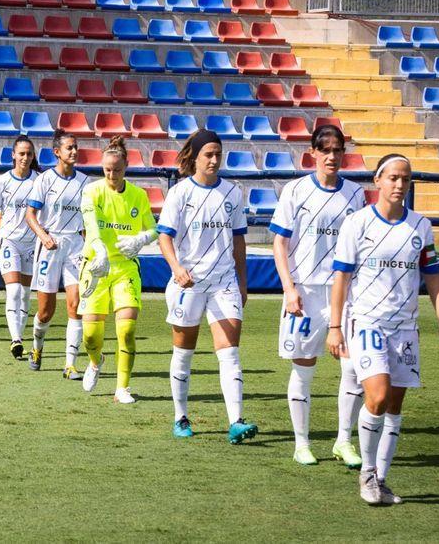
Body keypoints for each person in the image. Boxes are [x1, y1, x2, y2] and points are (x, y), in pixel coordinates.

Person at [328, 154, 439, 506]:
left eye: (406, 179)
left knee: (395, 407)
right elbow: (341, 278)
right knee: (378, 396)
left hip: (406, 329)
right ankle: (366, 474)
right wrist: (335, 326)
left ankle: (381, 480)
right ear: (377, 181)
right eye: (393, 178)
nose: (400, 185)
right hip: (367, 322)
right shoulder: (357, 224)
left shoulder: (420, 226)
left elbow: (432, 276)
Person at [269, 125, 367, 467]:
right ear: (312, 152)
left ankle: (343, 440)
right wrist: (289, 288)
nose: (331, 156)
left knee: (353, 367)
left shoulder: (355, 195)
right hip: (305, 292)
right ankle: (301, 443)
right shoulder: (295, 191)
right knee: (304, 369)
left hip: (345, 293)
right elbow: (279, 243)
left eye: (337, 149)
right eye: (324, 149)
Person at [157, 130, 257, 444]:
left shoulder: (232, 193)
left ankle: (236, 421)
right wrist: (177, 268)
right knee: (183, 353)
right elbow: (165, 237)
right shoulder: (181, 193)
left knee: (230, 353)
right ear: (196, 157)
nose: (214, 160)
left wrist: (242, 281)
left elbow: (238, 241)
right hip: (188, 283)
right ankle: (180, 416)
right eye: (208, 155)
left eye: (218, 154)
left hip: (224, 281)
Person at [77, 136, 156, 401]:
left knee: (127, 329)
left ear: (127, 166)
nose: (112, 174)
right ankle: (96, 361)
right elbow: (91, 222)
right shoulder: (92, 191)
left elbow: (154, 229)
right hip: (96, 267)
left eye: (117, 169)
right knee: (90, 336)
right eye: (107, 169)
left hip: (125, 268)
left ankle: (122, 387)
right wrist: (98, 249)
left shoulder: (138, 196)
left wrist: (141, 239)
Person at [24, 130, 89, 377]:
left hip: (75, 245)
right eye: (69, 148)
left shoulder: (84, 182)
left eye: (75, 147)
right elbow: (30, 214)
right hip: (50, 244)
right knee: (46, 311)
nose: (74, 151)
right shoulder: (44, 180)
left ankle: (70, 363)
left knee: (76, 305)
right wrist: (43, 236)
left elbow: (88, 219)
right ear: (57, 152)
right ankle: (37, 347)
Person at [0, 135, 39, 359]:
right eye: (21, 153)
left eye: (29, 154)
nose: (25, 157)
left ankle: (20, 336)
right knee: (13, 290)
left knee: (24, 294)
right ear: (13, 155)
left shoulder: (39, 181)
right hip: (10, 242)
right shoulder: (3, 182)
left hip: (32, 244)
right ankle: (16, 339)